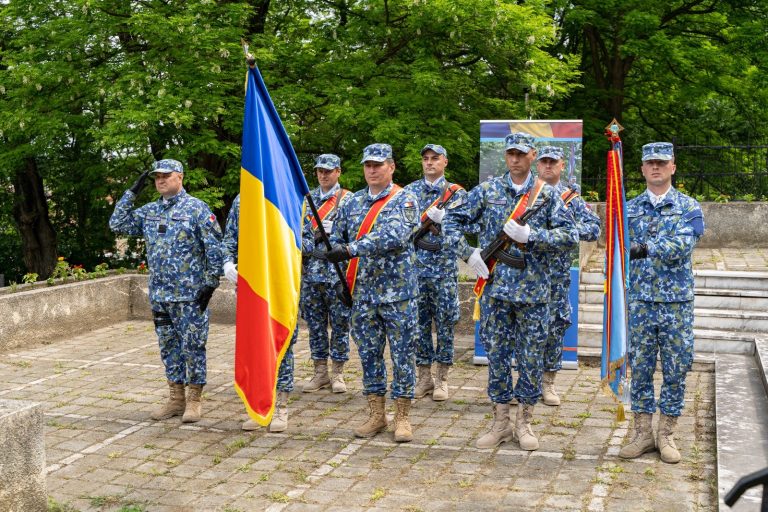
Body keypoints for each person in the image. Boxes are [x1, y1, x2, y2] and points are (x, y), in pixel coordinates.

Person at [443, 133, 577, 451]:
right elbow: (451, 221)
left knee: (530, 359)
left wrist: (533, 235)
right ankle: (500, 422)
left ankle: (524, 423)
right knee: (498, 357)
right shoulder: (487, 191)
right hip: (496, 290)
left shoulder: (547, 195)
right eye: (510, 154)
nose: (514, 159)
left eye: (520, 153)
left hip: (535, 293)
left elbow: (570, 235)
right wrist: (468, 253)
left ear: (532, 155)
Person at [314, 143, 420, 442]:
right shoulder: (352, 202)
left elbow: (394, 236)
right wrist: (334, 264)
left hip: (398, 294)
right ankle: (376, 414)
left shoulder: (405, 199)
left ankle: (402, 417)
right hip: (362, 293)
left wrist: (350, 249)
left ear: (391, 167)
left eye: (378, 165)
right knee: (369, 355)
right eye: (368, 165)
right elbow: (337, 238)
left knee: (402, 356)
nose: (372, 170)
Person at [109, 159, 223, 423]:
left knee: (193, 347)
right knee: (168, 348)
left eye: (166, 175)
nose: (160, 180)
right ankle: (176, 399)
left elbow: (214, 247)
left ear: (179, 177)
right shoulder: (150, 211)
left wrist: (210, 283)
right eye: (156, 177)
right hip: (160, 295)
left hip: (190, 295)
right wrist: (132, 192)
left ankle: (194, 400)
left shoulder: (196, 209)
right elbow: (117, 224)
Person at [619, 142, 704, 464]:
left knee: (675, 368)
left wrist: (644, 248)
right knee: (640, 368)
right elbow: (618, 247)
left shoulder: (688, 207)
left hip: (675, 304)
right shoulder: (628, 208)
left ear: (673, 167)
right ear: (642, 169)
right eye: (650, 163)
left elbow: (683, 244)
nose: (656, 167)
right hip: (640, 301)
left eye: (662, 162)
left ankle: (666, 434)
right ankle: (642, 433)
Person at [221, 194, 296, 433]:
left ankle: (281, 406)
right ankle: (259, 406)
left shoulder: (288, 195)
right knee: (254, 346)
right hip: (252, 286)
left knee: (281, 344)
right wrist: (227, 263)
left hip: (280, 283)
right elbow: (229, 239)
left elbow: (305, 242)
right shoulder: (244, 197)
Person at [403, 144, 471, 402]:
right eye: (426, 159)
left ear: (445, 162)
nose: (429, 162)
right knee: (419, 324)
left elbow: (465, 228)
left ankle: (442, 377)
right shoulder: (409, 191)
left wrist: (445, 222)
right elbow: (403, 229)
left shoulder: (456, 194)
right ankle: (424, 378)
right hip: (416, 271)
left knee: (445, 324)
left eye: (435, 158)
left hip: (444, 271)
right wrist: (422, 222)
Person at [535, 146, 601, 405]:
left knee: (555, 327)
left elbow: (593, 228)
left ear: (562, 166)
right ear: (536, 165)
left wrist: (564, 231)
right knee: (524, 331)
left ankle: (548, 382)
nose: (548, 166)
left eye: (553, 162)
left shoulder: (571, 199)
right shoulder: (525, 196)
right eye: (544, 162)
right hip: (525, 277)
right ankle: (526, 381)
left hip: (557, 278)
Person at [300, 154, 353, 394]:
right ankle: (320, 372)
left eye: (328, 171)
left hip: (337, 273)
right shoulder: (306, 200)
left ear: (338, 172)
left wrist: (338, 230)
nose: (323, 175)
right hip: (311, 272)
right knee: (315, 325)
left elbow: (358, 235)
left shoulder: (349, 200)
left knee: (341, 323)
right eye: (320, 171)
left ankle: (338, 373)